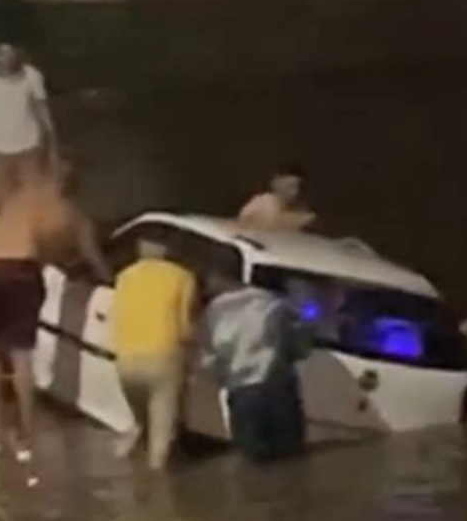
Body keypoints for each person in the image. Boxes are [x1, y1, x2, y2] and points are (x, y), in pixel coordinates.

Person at [0, 157, 109, 461]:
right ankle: (28, 430)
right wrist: (109, 279)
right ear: (74, 186)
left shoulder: (20, 198)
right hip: (17, 271)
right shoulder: (70, 214)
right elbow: (86, 259)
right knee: (20, 354)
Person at [201, 265, 312, 462]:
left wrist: (222, 379)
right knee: (292, 461)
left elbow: (210, 357)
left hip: (242, 395)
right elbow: (302, 348)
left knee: (252, 463)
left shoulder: (213, 311)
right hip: (280, 389)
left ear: (220, 277)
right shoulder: (277, 305)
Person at [112, 237, 197, 470]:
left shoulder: (123, 276)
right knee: (160, 442)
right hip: (163, 358)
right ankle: (158, 495)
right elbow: (185, 328)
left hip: (125, 361)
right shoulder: (182, 276)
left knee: (142, 422)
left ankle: (130, 452)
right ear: (168, 249)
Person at [0, 42, 55, 212]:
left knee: (34, 198)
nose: (7, 59)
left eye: (10, 54)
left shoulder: (32, 76)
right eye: (1, 54)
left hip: (29, 147)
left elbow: (41, 109)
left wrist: (52, 144)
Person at [237, 163, 316, 232]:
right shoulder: (260, 203)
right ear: (275, 183)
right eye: (290, 186)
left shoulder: (302, 213)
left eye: (297, 187)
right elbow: (240, 226)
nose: (295, 192)